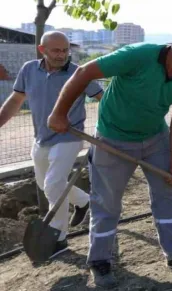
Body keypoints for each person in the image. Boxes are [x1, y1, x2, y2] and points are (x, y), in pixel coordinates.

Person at [47, 24, 172, 288]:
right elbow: (84, 72)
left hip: (155, 138)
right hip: (112, 138)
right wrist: (59, 113)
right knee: (107, 202)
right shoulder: (138, 56)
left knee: (167, 193)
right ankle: (100, 260)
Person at [0, 31, 103, 259]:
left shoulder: (79, 73)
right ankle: (85, 201)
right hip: (41, 138)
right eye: (56, 50)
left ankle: (59, 238)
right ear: (42, 50)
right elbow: (16, 101)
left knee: (54, 183)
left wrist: (108, 128)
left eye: (65, 50)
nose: (62, 55)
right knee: (45, 183)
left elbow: (102, 98)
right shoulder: (29, 69)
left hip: (69, 136)